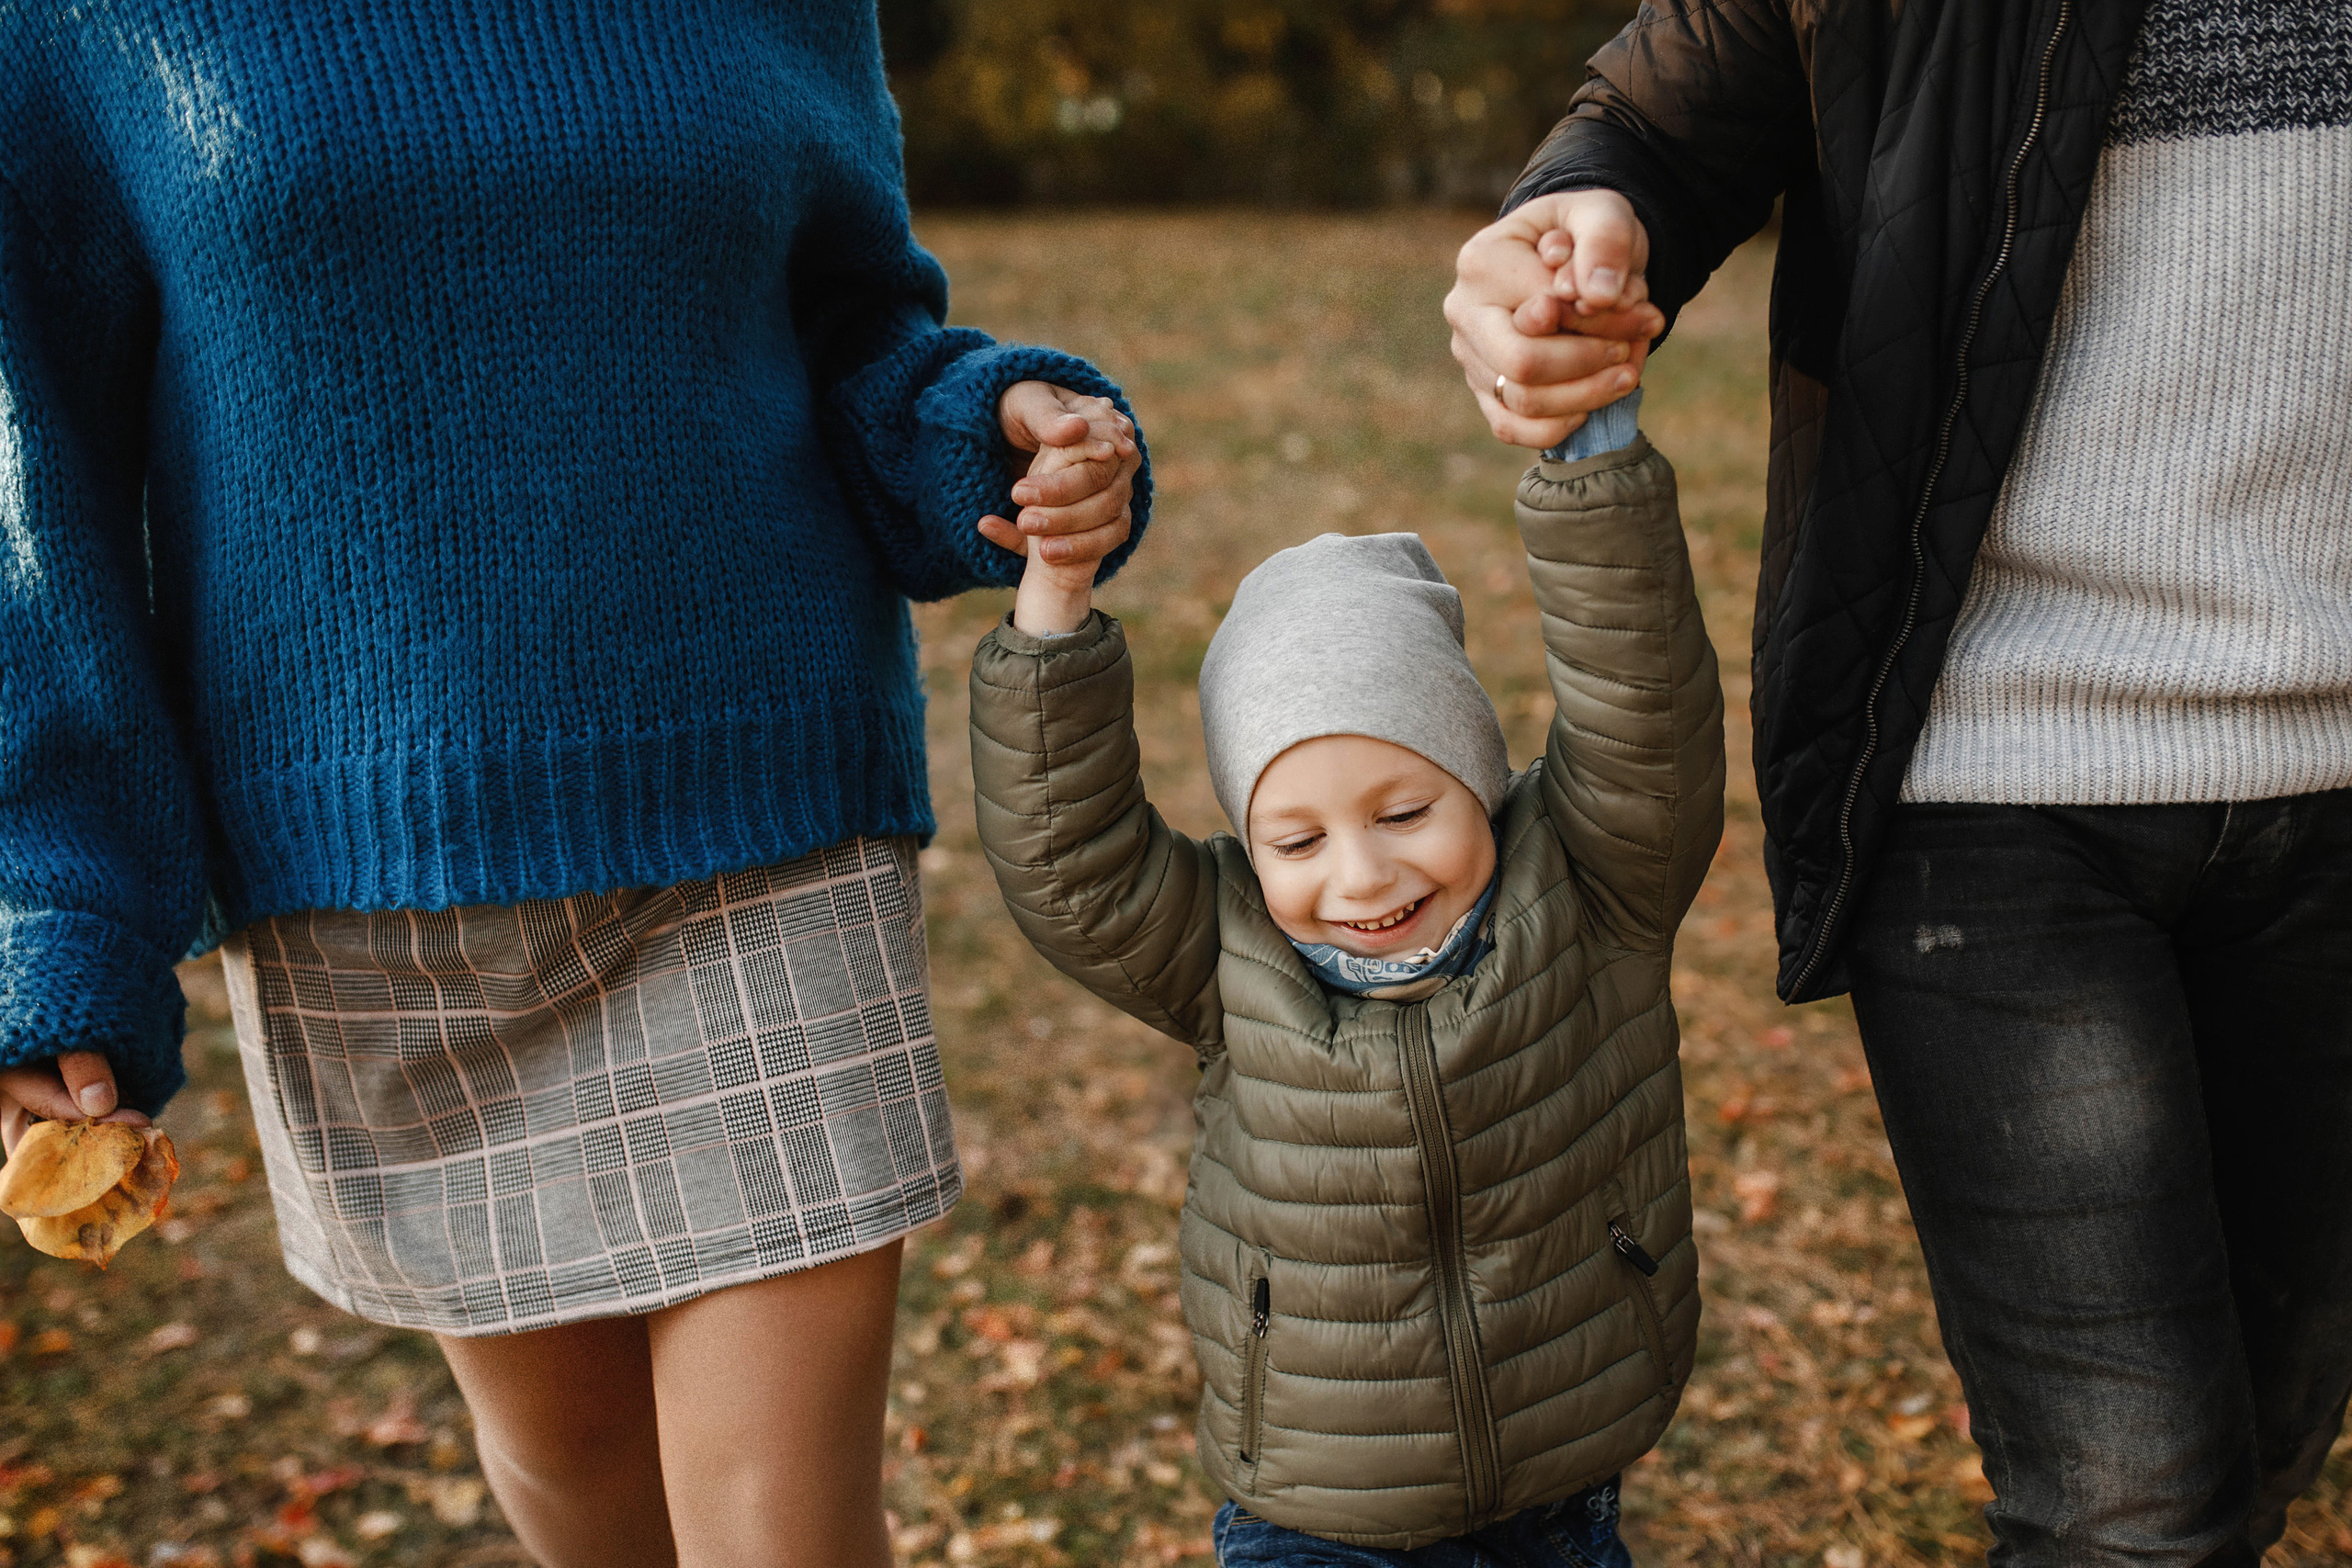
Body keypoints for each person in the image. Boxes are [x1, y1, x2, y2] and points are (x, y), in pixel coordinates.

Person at [0, 6, 1145, 1565]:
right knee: (585, 1486)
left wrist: (982, 428)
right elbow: (38, 493)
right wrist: (61, 913)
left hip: (759, 816)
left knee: (786, 1527)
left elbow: (853, 329)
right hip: (376, 879)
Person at [1446, 1, 2352, 1563]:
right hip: (1991, 756)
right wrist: (1572, 215)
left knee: (2265, 1428)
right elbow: (1663, 121)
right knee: (2131, 1510)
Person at [965, 393, 1723, 1562]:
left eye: (1405, 811)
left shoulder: (1592, 884)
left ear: (1477, 779)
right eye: (1298, 840)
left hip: (1559, 1483)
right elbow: (1067, 859)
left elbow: (1645, 699)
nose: (1361, 874)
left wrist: (1591, 452)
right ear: (1250, 844)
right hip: (1314, 1508)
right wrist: (1056, 598)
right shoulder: (1223, 949)